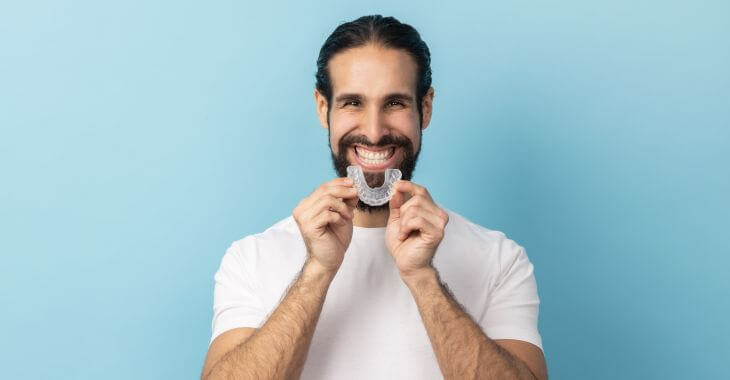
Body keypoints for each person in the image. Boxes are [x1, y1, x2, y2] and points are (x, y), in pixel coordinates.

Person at [201, 15, 547, 380]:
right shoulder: (251, 260)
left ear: (424, 108)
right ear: (323, 109)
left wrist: (423, 278)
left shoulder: (499, 259)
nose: (374, 131)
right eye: (353, 103)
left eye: (395, 103)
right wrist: (317, 272)